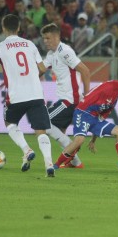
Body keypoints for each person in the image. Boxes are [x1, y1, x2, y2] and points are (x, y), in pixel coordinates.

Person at [0, 14, 55, 177]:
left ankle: (26, 150)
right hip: (36, 94)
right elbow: (42, 69)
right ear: (19, 28)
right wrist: (30, 77)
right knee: (41, 131)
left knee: (9, 122)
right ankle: (49, 164)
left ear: (3, 29)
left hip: (16, 95)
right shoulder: (30, 44)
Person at [40, 23, 91, 169]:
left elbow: (85, 71)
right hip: (66, 100)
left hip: (70, 100)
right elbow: (39, 70)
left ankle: (74, 155)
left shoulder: (65, 51)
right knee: (58, 130)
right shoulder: (52, 54)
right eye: (44, 38)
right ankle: (74, 162)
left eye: (48, 38)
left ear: (57, 37)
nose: (45, 41)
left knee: (44, 122)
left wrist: (87, 96)